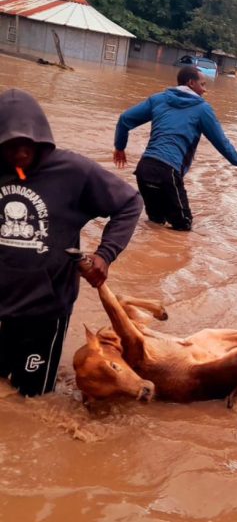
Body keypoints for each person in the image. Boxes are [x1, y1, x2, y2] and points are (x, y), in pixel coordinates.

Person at [0, 88, 143, 397]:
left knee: (31, 398)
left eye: (26, 144)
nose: (20, 154)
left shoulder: (73, 171)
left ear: (41, 137)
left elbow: (129, 203)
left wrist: (104, 255)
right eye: (10, 146)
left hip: (45, 309)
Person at [113, 66, 237, 231]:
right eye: (203, 84)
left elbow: (124, 119)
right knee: (184, 227)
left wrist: (120, 147)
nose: (205, 90)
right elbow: (221, 142)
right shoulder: (202, 109)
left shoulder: (158, 99)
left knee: (155, 224)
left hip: (145, 169)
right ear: (191, 83)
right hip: (168, 172)